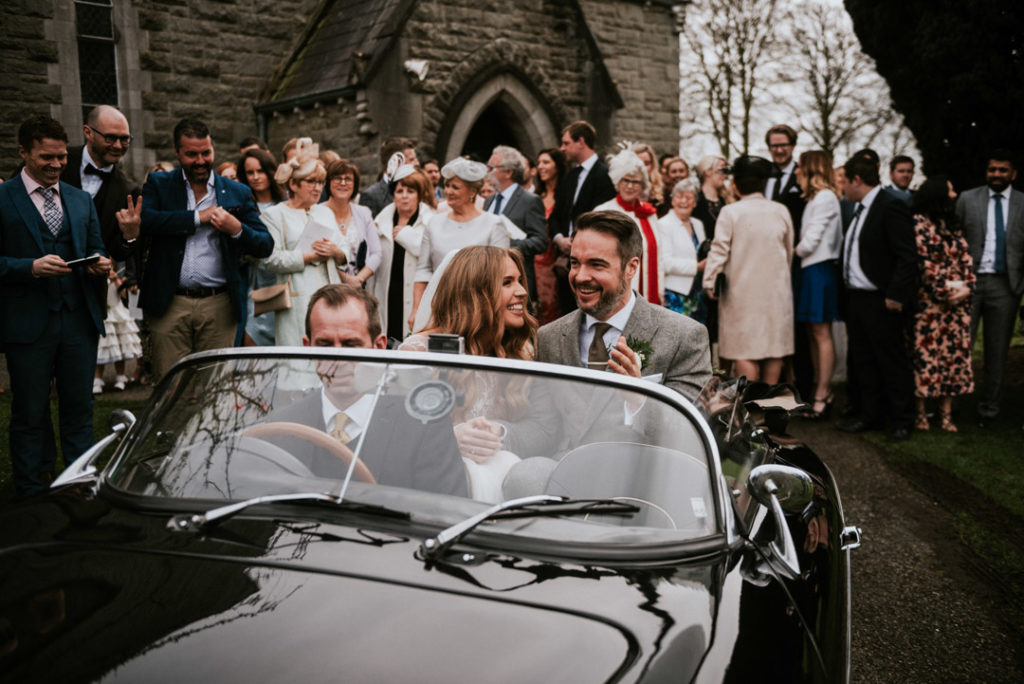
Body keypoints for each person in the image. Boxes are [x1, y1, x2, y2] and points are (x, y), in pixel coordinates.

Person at [265, 284, 468, 496]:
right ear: (307, 348)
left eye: (351, 344)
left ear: (379, 347)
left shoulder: (423, 427)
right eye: (324, 345)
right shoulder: (281, 427)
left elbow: (444, 513)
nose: (337, 360)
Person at [0, 115, 111, 497]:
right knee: (30, 412)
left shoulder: (81, 200)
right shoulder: (2, 198)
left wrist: (102, 263)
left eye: (62, 157)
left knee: (79, 408)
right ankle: (32, 487)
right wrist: (29, 267)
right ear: (24, 152)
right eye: (46, 157)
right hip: (27, 325)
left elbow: (98, 248)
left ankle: (78, 482)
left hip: (78, 320)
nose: (56, 165)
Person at [400, 246, 544, 501]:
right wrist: (450, 436)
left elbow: (542, 427)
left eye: (520, 281)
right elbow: (396, 432)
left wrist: (497, 433)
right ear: (476, 294)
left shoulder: (522, 351)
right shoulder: (420, 351)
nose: (522, 291)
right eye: (507, 283)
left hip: (509, 482)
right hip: (438, 485)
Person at [140, 118, 273, 381]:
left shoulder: (237, 191)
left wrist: (236, 229)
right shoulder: (159, 184)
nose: (200, 160)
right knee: (170, 386)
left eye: (206, 153)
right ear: (177, 152)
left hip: (219, 305)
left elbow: (264, 244)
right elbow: (147, 221)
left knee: (214, 388)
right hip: (170, 302)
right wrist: (196, 218)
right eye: (192, 154)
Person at [538, 210, 712, 402]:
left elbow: (685, 427)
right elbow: (543, 420)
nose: (580, 276)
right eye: (575, 263)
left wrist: (638, 400)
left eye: (596, 265)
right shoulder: (548, 338)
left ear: (631, 267)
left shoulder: (684, 338)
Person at [835, 156, 918, 441]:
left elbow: (907, 256)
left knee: (891, 360)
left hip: (882, 298)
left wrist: (895, 294)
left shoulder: (890, 206)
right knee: (863, 361)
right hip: (856, 298)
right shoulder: (858, 209)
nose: (842, 187)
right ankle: (871, 417)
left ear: (857, 180)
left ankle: (902, 420)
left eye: (844, 181)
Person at [703, 155, 794, 384]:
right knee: (774, 349)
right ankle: (769, 406)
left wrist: (710, 281)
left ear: (735, 185)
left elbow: (719, 250)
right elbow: (788, 250)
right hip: (776, 291)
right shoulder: (780, 211)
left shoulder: (731, 212)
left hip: (740, 293)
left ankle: (748, 408)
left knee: (743, 350)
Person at [955, 149, 1024, 426]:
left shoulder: (1022, 202)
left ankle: (989, 412)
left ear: (1013, 174)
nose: (996, 174)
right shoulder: (967, 198)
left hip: (1005, 285)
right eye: (992, 169)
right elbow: (956, 239)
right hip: (969, 284)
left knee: (997, 351)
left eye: (1002, 170)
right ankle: (953, 408)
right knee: (961, 348)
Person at [260, 139, 346, 347]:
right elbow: (271, 260)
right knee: (297, 351)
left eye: (320, 183)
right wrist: (308, 257)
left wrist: (335, 251)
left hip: (330, 295)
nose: (318, 188)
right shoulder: (274, 215)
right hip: (296, 299)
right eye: (311, 182)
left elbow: (345, 252)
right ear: (293, 184)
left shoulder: (325, 211)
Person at [412, 158, 511, 327]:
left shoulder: (494, 224)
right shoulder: (434, 223)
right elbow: (423, 270)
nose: (448, 191)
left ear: (472, 192)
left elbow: (501, 272)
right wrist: (416, 309)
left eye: (455, 187)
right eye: (447, 185)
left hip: (479, 310)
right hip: (437, 307)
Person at [910, 177, 975, 432]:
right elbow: (926, 263)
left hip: (958, 306)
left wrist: (967, 287)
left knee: (953, 358)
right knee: (925, 357)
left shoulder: (954, 226)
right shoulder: (919, 223)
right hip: (929, 304)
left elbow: (967, 259)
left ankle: (946, 414)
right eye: (950, 189)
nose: (954, 193)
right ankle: (921, 413)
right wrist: (945, 290)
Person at [793, 150, 843, 418]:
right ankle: (819, 389)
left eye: (800, 166)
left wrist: (789, 250)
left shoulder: (825, 198)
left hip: (819, 269)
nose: (797, 171)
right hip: (810, 269)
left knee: (821, 333)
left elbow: (811, 241)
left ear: (811, 169)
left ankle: (823, 392)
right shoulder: (815, 198)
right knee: (814, 332)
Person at [549, 120, 617, 314]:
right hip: (564, 261)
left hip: (591, 258)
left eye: (566, 143)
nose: (562, 148)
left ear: (581, 141)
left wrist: (577, 240)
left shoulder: (604, 175)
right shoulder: (569, 177)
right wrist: (559, 239)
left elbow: (604, 218)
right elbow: (555, 216)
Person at [60, 105, 140, 263]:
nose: (118, 146)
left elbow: (119, 253)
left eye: (124, 139)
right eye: (110, 138)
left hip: (92, 282)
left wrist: (130, 236)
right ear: (88, 132)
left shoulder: (129, 190)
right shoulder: (56, 161)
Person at [369, 166, 435, 340]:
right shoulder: (380, 222)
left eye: (410, 191)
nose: (404, 196)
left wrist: (405, 235)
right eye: (400, 191)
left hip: (416, 295)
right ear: (393, 195)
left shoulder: (430, 221)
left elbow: (431, 255)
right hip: (387, 293)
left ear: (419, 195)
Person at [594, 145, 663, 305]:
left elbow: (658, 256)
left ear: (643, 186)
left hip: (648, 291)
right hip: (614, 291)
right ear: (618, 181)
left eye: (636, 182)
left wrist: (660, 290)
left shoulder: (650, 214)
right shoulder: (603, 211)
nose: (630, 186)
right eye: (626, 180)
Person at [484, 145, 547, 301]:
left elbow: (540, 241)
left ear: (508, 172)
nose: (488, 172)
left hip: (518, 281)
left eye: (492, 168)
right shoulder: (489, 200)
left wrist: (506, 244)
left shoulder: (529, 200)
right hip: (489, 279)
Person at [237, 147, 284, 346]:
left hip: (280, 280)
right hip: (252, 282)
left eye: (260, 171)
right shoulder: (242, 204)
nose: (256, 177)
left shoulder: (284, 204)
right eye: (250, 172)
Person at [322, 158, 382, 289]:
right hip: (327, 286)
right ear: (328, 182)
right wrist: (346, 279)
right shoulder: (317, 213)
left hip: (358, 287)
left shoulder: (364, 213)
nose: (343, 183)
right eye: (337, 178)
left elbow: (376, 253)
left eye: (348, 179)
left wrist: (359, 279)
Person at [660, 178, 707, 323]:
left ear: (695, 202)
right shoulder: (663, 224)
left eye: (688, 197)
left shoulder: (698, 224)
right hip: (675, 295)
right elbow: (665, 263)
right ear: (672, 200)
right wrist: (697, 267)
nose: (684, 201)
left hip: (698, 294)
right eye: (679, 197)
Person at [532, 147, 568, 325]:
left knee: (554, 309)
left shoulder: (565, 195)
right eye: (539, 163)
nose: (541, 167)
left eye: (546, 162)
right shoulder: (535, 196)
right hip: (535, 262)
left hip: (556, 260)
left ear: (558, 166)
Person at [358, 136, 419, 216]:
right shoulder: (371, 196)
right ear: (396, 162)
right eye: (411, 160)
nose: (417, 164)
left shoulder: (419, 190)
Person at [692, 154, 732, 239]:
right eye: (721, 170)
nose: (725, 175)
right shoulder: (694, 202)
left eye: (726, 171)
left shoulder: (727, 200)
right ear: (708, 171)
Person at [634, 143, 664, 208]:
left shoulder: (662, 191)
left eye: (646, 163)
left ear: (652, 165)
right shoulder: (624, 189)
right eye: (638, 163)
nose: (643, 168)